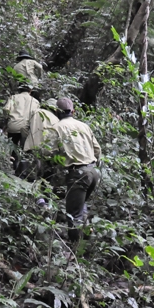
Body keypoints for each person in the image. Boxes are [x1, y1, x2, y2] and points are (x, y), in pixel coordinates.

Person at [43, 97, 101, 242]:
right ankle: (87, 241)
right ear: (73, 111)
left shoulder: (57, 127)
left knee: (74, 215)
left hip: (78, 174)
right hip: (93, 172)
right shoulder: (84, 126)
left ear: (57, 112)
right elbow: (97, 149)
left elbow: (47, 152)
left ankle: (75, 249)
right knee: (81, 207)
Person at [2, 84, 39, 177]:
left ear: (19, 90)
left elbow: (6, 109)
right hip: (26, 128)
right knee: (24, 149)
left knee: (13, 145)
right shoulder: (35, 102)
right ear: (30, 91)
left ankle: (12, 165)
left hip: (13, 125)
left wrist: (7, 119)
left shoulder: (14, 97)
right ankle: (21, 172)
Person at [22, 98, 60, 181]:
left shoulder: (35, 112)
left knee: (26, 174)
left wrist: (25, 140)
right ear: (55, 109)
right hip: (47, 150)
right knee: (42, 175)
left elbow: (24, 127)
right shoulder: (56, 120)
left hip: (32, 145)